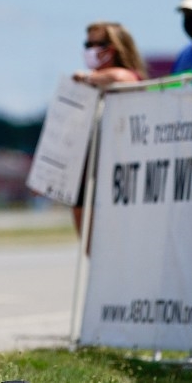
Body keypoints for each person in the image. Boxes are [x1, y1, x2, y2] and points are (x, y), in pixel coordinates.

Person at [71, 21, 147, 238]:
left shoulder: (128, 79)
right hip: (88, 174)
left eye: (99, 44)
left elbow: (124, 77)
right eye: (88, 44)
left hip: (119, 174)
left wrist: (88, 77)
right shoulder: (88, 89)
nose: (92, 49)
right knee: (87, 240)